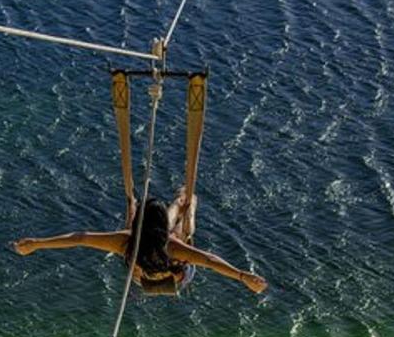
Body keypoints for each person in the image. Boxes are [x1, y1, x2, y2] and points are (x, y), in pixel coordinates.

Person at [13, 71, 266, 296]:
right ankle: (183, 201)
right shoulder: (172, 244)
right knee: (185, 217)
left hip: (141, 276)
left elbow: (81, 238)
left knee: (135, 206)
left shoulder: (126, 240)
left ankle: (174, 202)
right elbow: (209, 260)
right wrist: (243, 276)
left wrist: (37, 244)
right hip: (176, 280)